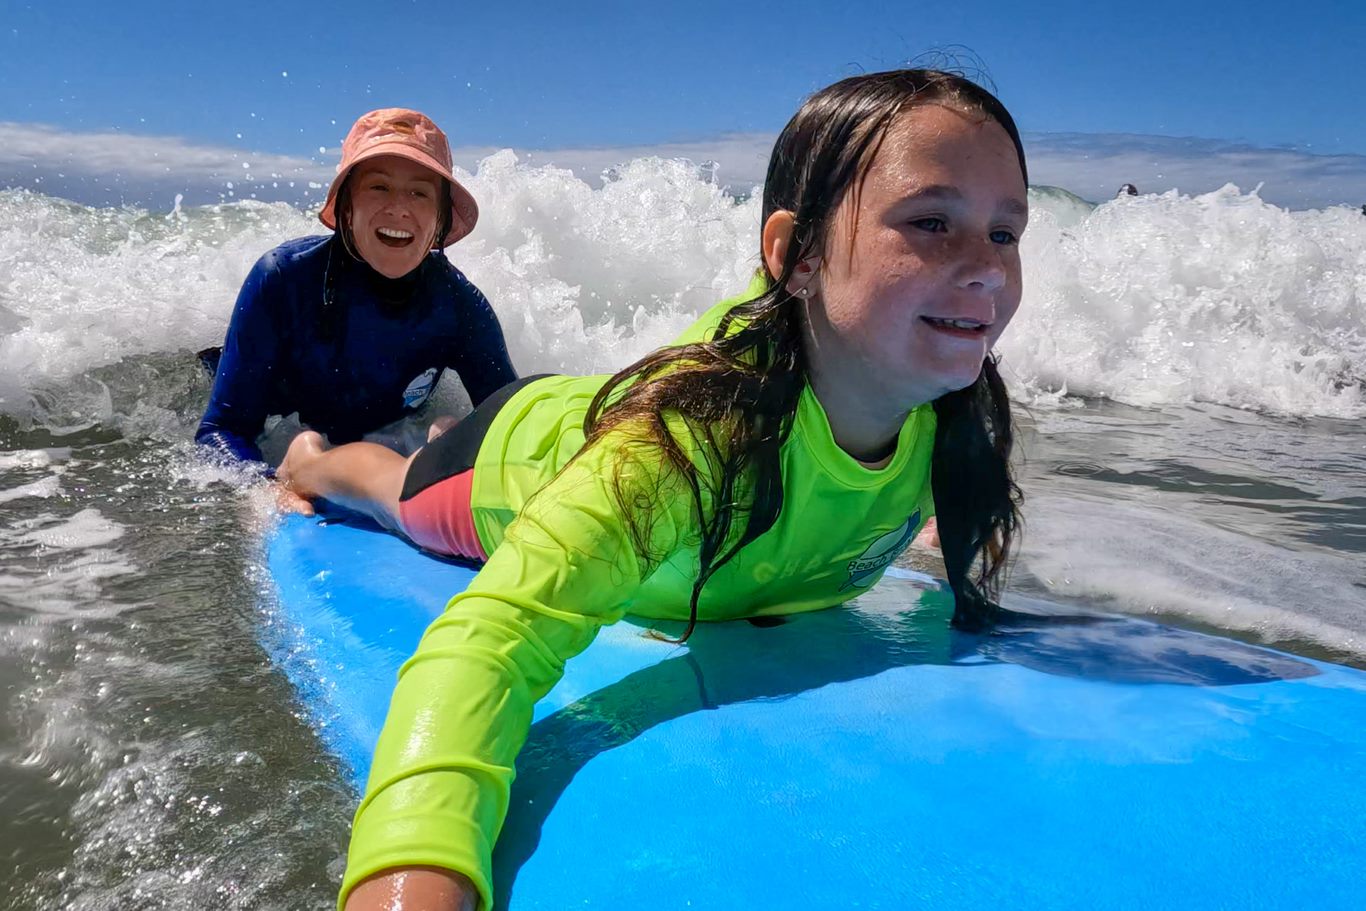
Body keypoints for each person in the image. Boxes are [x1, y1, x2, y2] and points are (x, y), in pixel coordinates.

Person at [281, 69, 1028, 911]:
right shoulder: (683, 453)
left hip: (606, 411)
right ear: (795, 254)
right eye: (932, 222)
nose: (986, 270)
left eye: (1006, 232)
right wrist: (410, 875)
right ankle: (315, 457)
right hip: (516, 459)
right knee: (398, 494)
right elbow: (487, 641)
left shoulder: (949, 413)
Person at [195, 108, 518, 480]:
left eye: (419, 193)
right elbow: (220, 431)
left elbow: (517, 423)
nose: (399, 208)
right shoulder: (283, 280)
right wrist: (262, 488)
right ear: (347, 206)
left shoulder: (460, 308)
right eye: (378, 186)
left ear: (441, 219)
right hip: (278, 408)